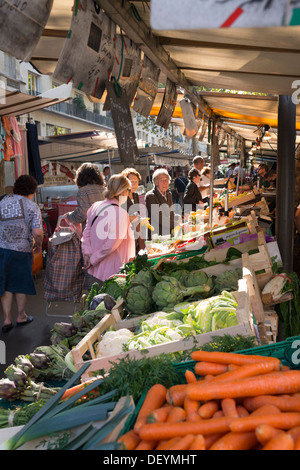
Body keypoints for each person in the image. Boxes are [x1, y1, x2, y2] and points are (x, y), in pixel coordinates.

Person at [0, 175, 43, 333]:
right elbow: (37, 233)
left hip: (2, 250)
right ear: (32, 190)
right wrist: (38, 245)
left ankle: (6, 319)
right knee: (20, 284)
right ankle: (21, 316)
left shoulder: (2, 201)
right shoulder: (32, 206)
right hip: (22, 251)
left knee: (5, 285)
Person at [81, 174, 135, 286]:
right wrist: (92, 259)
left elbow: (86, 233)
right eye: (129, 190)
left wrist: (87, 254)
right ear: (123, 191)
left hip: (95, 271)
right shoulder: (121, 213)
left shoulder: (95, 206)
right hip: (113, 273)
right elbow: (111, 244)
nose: (129, 193)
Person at [66, 163, 106, 227]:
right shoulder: (104, 189)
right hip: (106, 228)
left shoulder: (83, 191)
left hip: (92, 230)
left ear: (81, 176)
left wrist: (68, 216)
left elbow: (81, 215)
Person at [145, 168, 176, 238]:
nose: (165, 182)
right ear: (156, 183)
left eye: (166, 180)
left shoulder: (168, 193)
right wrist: (176, 225)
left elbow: (171, 212)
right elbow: (159, 218)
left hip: (169, 233)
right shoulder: (150, 196)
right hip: (157, 235)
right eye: (161, 180)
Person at [121, 168, 146, 253]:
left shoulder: (135, 195)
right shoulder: (122, 197)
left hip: (136, 233)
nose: (134, 184)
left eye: (136, 182)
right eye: (131, 181)